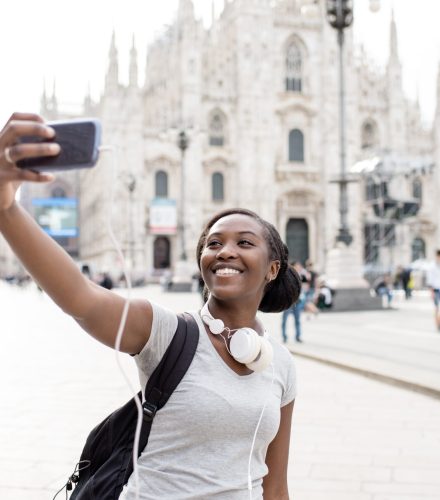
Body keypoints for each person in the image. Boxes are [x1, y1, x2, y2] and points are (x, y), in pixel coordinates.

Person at [0, 113, 300, 499]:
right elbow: (80, 298)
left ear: (273, 268)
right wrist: (6, 208)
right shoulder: (165, 331)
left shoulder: (281, 364)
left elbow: (275, 485)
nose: (225, 251)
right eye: (213, 243)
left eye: (244, 242)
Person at [281, 261, 306, 343]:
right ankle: (284, 336)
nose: (299, 267)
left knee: (297, 320)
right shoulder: (287, 275)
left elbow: (306, 285)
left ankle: (298, 336)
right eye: (297, 266)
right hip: (288, 301)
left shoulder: (301, 275)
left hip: (298, 301)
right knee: (285, 320)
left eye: (300, 266)